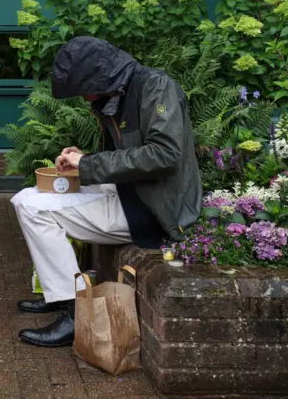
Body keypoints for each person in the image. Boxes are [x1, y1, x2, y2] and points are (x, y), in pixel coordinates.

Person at [12, 36, 202, 347]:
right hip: (130, 195)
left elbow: (165, 155)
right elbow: (123, 157)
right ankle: (59, 294)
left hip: (154, 210)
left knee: (34, 209)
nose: (84, 98)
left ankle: (75, 312)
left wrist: (88, 163)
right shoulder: (115, 95)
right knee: (27, 197)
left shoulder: (156, 87)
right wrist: (83, 160)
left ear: (99, 77)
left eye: (82, 88)